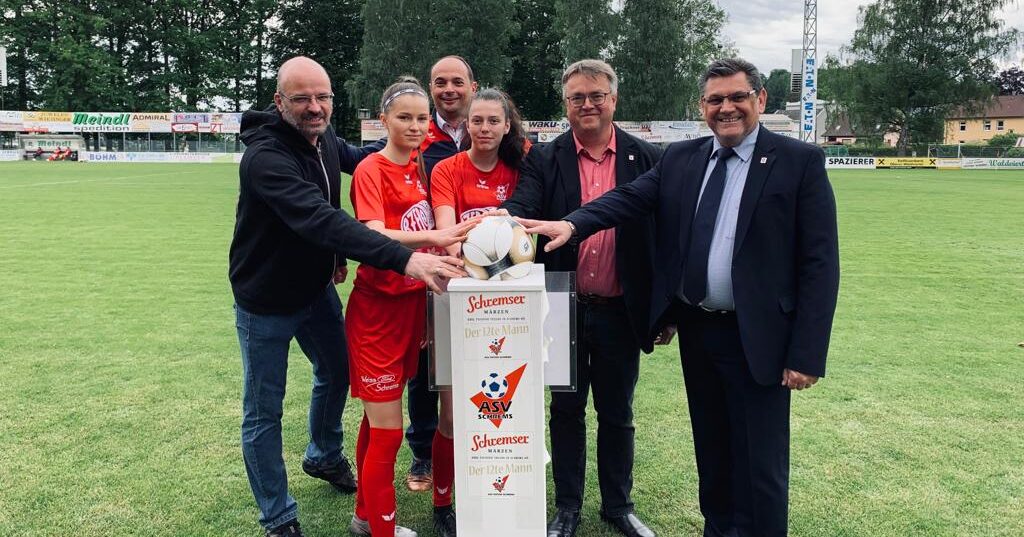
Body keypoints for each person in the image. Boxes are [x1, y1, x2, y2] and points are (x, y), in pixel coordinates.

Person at [518, 58, 841, 537]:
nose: (726, 108)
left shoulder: (799, 162)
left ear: (760, 99)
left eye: (737, 97)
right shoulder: (682, 159)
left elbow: (820, 264)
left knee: (760, 461)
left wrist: (806, 353)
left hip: (759, 337)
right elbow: (627, 200)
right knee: (712, 451)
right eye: (715, 99)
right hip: (699, 330)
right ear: (702, 106)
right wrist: (572, 224)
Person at [229, 57, 465, 537]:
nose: (315, 107)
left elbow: (376, 158)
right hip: (266, 299)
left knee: (338, 375)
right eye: (302, 99)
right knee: (263, 411)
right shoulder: (266, 158)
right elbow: (323, 219)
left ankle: (323, 455)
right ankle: (278, 517)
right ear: (280, 102)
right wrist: (409, 259)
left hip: (318, 291)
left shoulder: (324, 138)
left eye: (323, 97)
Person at [500, 59, 661, 537]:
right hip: (559, 306)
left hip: (619, 309)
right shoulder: (544, 158)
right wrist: (497, 220)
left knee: (617, 412)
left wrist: (663, 308)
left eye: (596, 95)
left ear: (613, 99)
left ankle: (618, 505)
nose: (587, 104)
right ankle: (567, 507)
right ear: (565, 103)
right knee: (566, 410)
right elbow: (523, 207)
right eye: (576, 97)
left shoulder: (647, 156)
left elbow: (665, 236)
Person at [346, 76, 477, 537]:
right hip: (377, 313)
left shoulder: (417, 167)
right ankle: (381, 529)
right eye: (405, 117)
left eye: (422, 118)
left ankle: (365, 518)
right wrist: (434, 236)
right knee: (388, 432)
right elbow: (371, 233)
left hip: (409, 310)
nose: (416, 126)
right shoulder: (372, 168)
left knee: (375, 424)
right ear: (384, 119)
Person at [427, 87, 529, 537]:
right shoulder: (447, 169)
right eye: (476, 121)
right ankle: (443, 501)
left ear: (507, 125)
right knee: (452, 413)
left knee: (503, 408)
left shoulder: (521, 169)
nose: (484, 128)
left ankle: (498, 493)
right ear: (466, 125)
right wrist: (488, 250)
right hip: (457, 299)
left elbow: (527, 237)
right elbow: (448, 236)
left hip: (511, 306)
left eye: (493, 121)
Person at [404, 55, 479, 494]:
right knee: (424, 365)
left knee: (481, 358)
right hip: (427, 270)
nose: (448, 89)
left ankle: (474, 445)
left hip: (482, 274)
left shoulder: (489, 130)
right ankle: (422, 451)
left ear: (473, 86)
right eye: (439, 82)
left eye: (457, 81)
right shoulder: (418, 134)